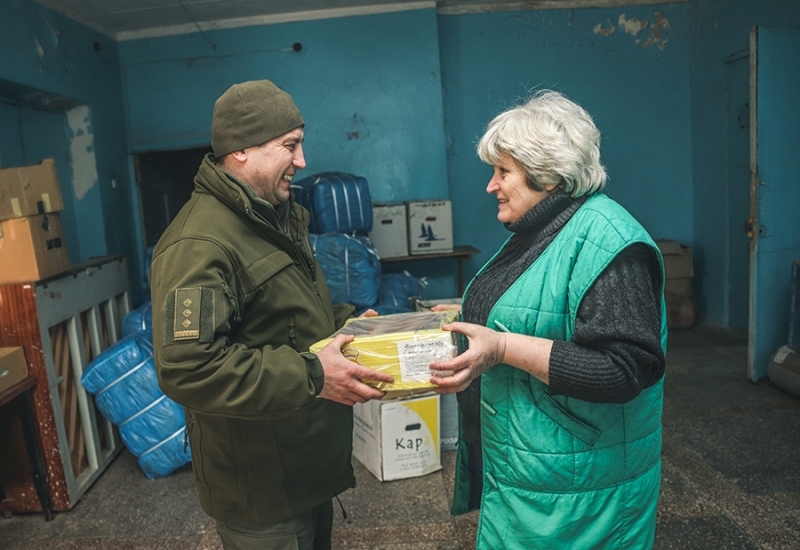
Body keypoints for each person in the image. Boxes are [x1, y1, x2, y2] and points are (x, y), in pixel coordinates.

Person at [149, 80, 393, 550]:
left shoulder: (274, 215)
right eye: (290, 146)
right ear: (241, 150)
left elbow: (281, 314)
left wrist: (348, 322)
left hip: (303, 463)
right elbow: (190, 368)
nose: (301, 161)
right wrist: (314, 375)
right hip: (261, 488)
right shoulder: (199, 244)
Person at [429, 90, 667, 549]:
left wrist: (500, 348)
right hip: (534, 477)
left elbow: (624, 371)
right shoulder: (545, 226)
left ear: (549, 176)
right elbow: (538, 306)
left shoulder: (608, 240)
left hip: (581, 494)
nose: (491, 186)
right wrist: (467, 314)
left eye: (503, 172)